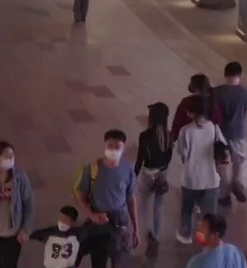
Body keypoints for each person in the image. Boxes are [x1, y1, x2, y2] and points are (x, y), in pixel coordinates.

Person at [71, 128, 140, 268]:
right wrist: (92, 215)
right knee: (98, 260)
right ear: (104, 146)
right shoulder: (92, 169)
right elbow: (80, 195)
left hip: (120, 221)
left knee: (119, 261)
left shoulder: (127, 169)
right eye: (110, 146)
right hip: (99, 222)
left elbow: (131, 198)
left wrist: (136, 229)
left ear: (123, 148)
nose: (113, 150)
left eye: (117, 147)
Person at [175, 95, 227, 244]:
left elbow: (183, 154)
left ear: (191, 112)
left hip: (191, 178)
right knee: (210, 213)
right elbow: (222, 146)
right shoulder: (214, 127)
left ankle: (185, 234)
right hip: (211, 178)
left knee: (187, 209)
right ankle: (210, 237)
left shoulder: (186, 131)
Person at [213, 61, 247, 205]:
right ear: (239, 75)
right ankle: (238, 185)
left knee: (223, 166)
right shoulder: (246, 92)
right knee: (241, 162)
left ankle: (224, 195)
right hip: (239, 134)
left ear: (225, 74)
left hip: (220, 135)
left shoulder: (216, 92)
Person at [134, 102, 173, 249]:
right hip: (162, 174)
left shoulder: (145, 136)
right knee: (158, 205)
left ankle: (149, 230)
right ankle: (156, 233)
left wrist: (133, 176)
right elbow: (169, 157)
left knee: (145, 205)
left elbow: (140, 159)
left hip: (148, 174)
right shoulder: (169, 135)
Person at [29, 206, 95, 268]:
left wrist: (94, 217)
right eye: (60, 218)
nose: (61, 221)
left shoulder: (77, 233)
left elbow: (88, 224)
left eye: (65, 220)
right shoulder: (51, 232)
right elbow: (34, 234)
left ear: (73, 222)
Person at [172, 74, 220, 142]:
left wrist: (173, 139)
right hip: (208, 143)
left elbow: (177, 124)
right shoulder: (213, 102)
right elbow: (218, 122)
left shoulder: (186, 102)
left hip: (188, 140)